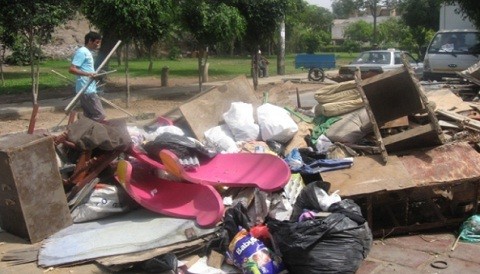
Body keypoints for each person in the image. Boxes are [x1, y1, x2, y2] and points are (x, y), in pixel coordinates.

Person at [68, 31, 106, 122]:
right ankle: (85, 127)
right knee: (100, 115)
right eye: (97, 42)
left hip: (89, 88)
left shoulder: (88, 52)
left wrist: (94, 74)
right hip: (86, 89)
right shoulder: (82, 52)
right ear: (90, 41)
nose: (98, 45)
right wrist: (88, 74)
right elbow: (72, 69)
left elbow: (87, 69)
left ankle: (85, 128)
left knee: (89, 115)